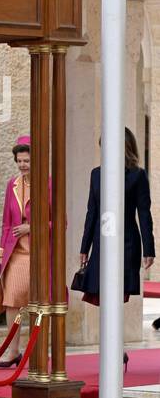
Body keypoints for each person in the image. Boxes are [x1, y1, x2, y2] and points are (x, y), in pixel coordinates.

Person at [78, 128, 155, 336]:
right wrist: (84, 248)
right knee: (103, 293)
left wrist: (149, 250)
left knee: (117, 294)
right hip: (100, 243)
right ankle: (112, 346)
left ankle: (115, 347)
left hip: (127, 243)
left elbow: (144, 214)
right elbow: (91, 212)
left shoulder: (137, 176)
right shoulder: (96, 174)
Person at [0, 137, 33, 368]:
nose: (22, 165)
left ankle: (36, 351)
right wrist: (1, 254)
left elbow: (59, 222)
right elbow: (6, 223)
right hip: (16, 253)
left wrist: (32, 226)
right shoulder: (13, 185)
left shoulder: (48, 183)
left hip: (38, 253)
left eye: (26, 160)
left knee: (39, 303)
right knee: (12, 302)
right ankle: (13, 351)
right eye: (19, 161)